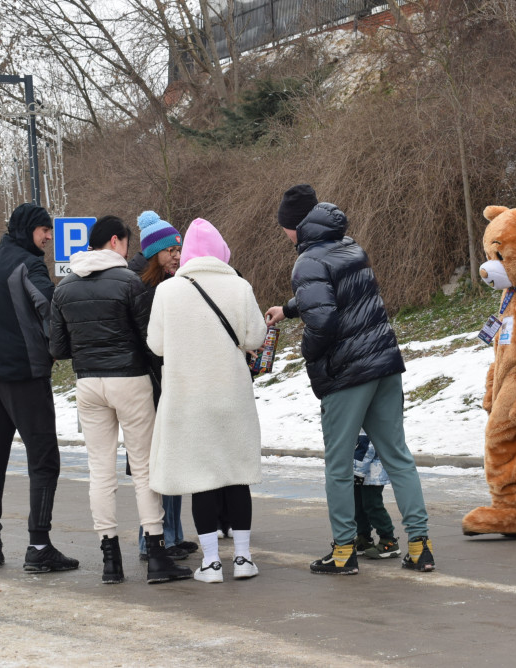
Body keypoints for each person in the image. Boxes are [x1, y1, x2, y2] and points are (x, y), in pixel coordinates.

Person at [264, 184, 435, 575]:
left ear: (295, 226)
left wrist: (308, 352)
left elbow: (322, 319)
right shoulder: (350, 246)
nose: (286, 236)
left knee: (339, 465)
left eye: (285, 229)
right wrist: (289, 309)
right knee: (398, 457)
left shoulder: (306, 261)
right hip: (385, 364)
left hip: (348, 374)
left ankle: (344, 551)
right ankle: (420, 546)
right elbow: (338, 292)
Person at [49, 214, 192, 585]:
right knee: (144, 469)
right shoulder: (129, 282)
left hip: (88, 385)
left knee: (100, 472)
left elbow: (58, 348)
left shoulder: (63, 288)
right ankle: (157, 555)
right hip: (129, 380)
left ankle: (110, 559)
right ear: (115, 241)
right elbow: (150, 341)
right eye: (128, 244)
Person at [0, 202, 78, 574]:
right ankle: (39, 546)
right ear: (28, 230)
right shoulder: (29, 264)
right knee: (43, 461)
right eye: (44, 230)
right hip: (25, 377)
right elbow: (50, 311)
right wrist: (51, 345)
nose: (49, 237)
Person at [147, 218, 267, 583]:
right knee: (236, 476)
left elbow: (156, 344)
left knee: (203, 479)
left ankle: (211, 564)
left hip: (189, 401)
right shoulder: (240, 286)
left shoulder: (167, 291)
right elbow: (255, 337)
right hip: (232, 397)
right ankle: (244, 559)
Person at [129, 210, 198, 561]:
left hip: (168, 384)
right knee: (158, 466)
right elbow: (151, 345)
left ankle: (171, 535)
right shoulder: (145, 288)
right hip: (152, 387)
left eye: (179, 248)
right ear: (154, 253)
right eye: (170, 249)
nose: (177, 254)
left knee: (172, 463)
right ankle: (152, 540)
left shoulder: (166, 285)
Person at [352, 433, 400, 559]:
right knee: (358, 505)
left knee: (372, 505)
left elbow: (367, 447)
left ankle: (388, 540)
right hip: (359, 471)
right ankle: (364, 538)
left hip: (372, 473)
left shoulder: (366, 423)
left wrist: (357, 470)